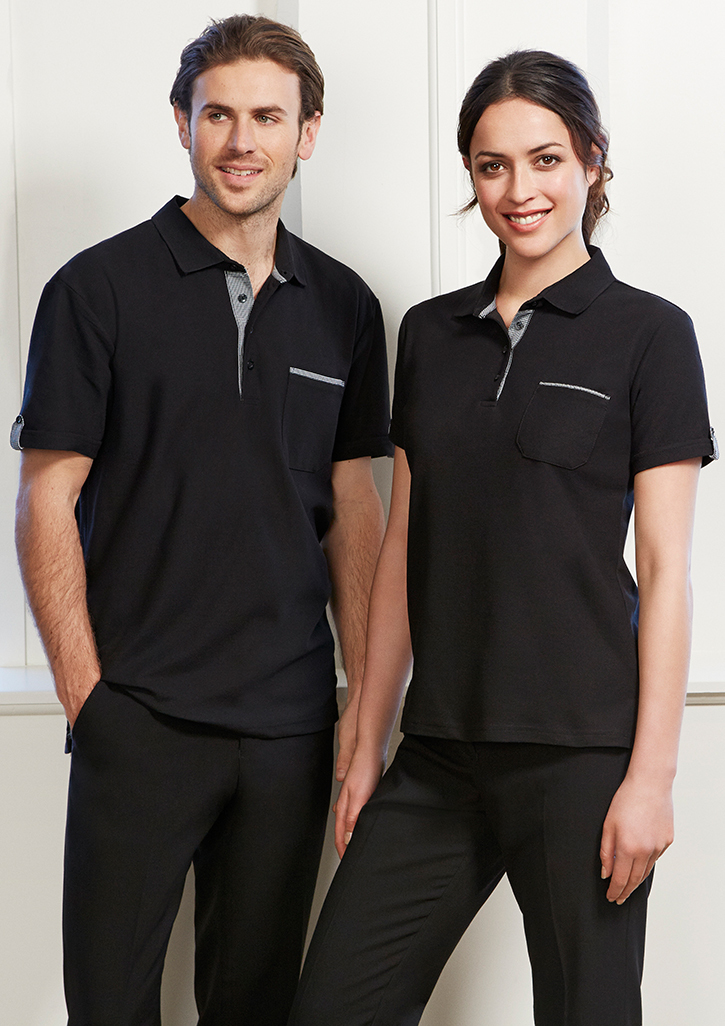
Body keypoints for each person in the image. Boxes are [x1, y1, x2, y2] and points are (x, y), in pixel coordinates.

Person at [288, 50, 717, 1026]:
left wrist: (649, 778)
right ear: (470, 175)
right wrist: (366, 739)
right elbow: (404, 548)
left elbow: (664, 570)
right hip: (440, 748)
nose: (518, 189)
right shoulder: (429, 334)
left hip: (580, 754)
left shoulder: (650, 335)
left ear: (591, 161)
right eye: (492, 166)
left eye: (544, 159)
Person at [11, 14, 392, 1026]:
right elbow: (46, 498)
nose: (240, 140)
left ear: (307, 133)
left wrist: (362, 705)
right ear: (182, 123)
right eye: (218, 114)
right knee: (108, 1005)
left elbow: (352, 511)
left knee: (254, 1005)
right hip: (140, 716)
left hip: (288, 728)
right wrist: (90, 702)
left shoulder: (346, 307)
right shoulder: (95, 290)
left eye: (267, 116)